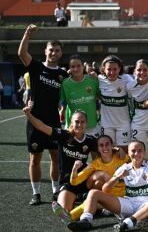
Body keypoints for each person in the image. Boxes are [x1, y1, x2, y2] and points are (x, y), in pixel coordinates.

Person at [18, 24, 69, 205]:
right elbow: (22, 54)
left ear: (60, 53)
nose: (53, 53)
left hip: (53, 120)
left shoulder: (63, 74)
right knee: (35, 158)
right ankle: (36, 193)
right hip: (34, 120)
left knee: (55, 156)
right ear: (45, 51)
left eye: (57, 50)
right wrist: (27, 34)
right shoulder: (36, 67)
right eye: (51, 50)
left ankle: (56, 191)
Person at [67, 141, 148, 231]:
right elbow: (105, 188)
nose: (136, 153)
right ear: (128, 152)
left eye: (140, 150)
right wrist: (118, 177)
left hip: (146, 205)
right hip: (128, 203)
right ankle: (85, 221)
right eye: (133, 151)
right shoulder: (123, 167)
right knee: (93, 193)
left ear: (144, 152)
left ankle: (128, 222)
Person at [23, 106, 97, 216]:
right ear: (71, 123)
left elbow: (98, 161)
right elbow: (42, 126)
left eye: (83, 122)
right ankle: (84, 203)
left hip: (84, 181)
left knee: (99, 177)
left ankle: (87, 199)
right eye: (76, 121)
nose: (80, 125)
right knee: (63, 211)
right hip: (68, 182)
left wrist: (114, 150)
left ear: (86, 124)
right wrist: (29, 115)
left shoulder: (91, 140)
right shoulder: (64, 136)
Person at [51, 135, 128, 223]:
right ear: (97, 148)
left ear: (112, 146)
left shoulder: (123, 158)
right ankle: (69, 216)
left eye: (107, 144)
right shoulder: (95, 164)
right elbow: (75, 181)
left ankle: (74, 215)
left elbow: (138, 161)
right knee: (92, 199)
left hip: (125, 195)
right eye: (101, 145)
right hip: (109, 197)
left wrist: (147, 161)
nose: (105, 147)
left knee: (94, 199)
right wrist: (74, 169)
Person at [98, 55, 134, 151]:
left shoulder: (126, 79)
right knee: (108, 151)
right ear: (103, 69)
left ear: (120, 69)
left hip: (123, 124)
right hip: (106, 124)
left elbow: (138, 85)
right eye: (109, 69)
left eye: (115, 69)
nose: (112, 72)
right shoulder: (99, 79)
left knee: (124, 153)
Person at [61, 54, 100, 137]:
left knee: (93, 150)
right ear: (70, 68)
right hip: (73, 127)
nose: (76, 69)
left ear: (83, 66)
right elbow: (62, 101)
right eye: (72, 66)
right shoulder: (65, 83)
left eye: (78, 66)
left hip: (91, 125)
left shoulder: (92, 80)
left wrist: (97, 78)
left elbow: (100, 96)